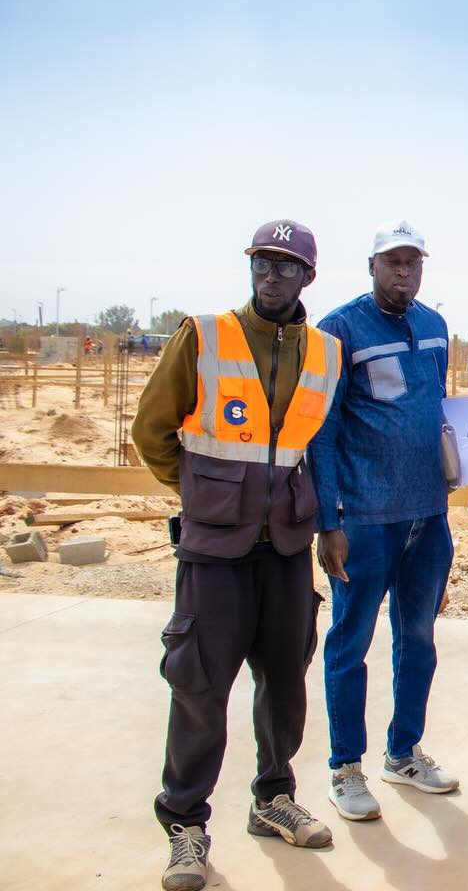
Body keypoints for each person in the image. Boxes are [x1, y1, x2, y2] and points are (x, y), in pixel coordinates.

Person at [132, 220, 342, 891]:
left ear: (308, 276)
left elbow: (312, 444)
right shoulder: (205, 336)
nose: (271, 275)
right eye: (261, 262)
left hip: (284, 546)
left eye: (285, 266)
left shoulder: (325, 353)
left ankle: (273, 798)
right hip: (214, 550)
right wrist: (204, 492)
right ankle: (185, 824)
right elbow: (152, 430)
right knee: (199, 686)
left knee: (284, 682)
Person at [308, 220, 459, 823]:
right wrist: (328, 520)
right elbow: (322, 433)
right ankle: (345, 768)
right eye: (393, 262)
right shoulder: (339, 331)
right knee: (350, 641)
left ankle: (404, 751)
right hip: (366, 518)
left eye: (413, 262)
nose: (404, 272)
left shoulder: (435, 325)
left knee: (418, 639)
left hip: (428, 515)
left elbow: (435, 410)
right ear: (371, 266)